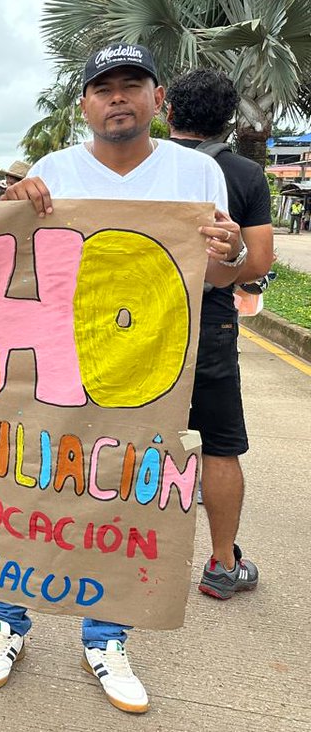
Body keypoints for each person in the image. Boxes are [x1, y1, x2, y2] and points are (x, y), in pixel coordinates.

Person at [0, 43, 244, 714]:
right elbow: (9, 267)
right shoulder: (53, 171)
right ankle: (6, 624)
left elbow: (215, 277)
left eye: (134, 84)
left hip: (145, 379)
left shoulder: (195, 175)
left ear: (160, 100)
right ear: (85, 105)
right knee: (23, 483)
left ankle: (107, 637)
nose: (119, 96)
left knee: (126, 501)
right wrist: (11, 204)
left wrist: (234, 252)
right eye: (105, 87)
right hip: (52, 368)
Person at [166, 68, 273, 600]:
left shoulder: (140, 167)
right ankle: (221, 564)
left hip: (137, 322)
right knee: (221, 445)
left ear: (166, 111)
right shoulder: (246, 176)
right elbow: (259, 263)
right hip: (208, 324)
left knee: (128, 435)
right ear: (230, 118)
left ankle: (115, 549)